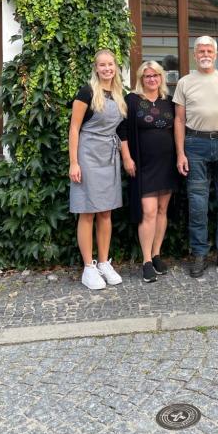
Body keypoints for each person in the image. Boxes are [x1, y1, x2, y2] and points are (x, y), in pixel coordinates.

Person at [174, 35, 218, 277]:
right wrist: (180, 152)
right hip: (195, 144)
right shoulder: (185, 82)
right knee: (197, 203)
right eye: (200, 51)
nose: (205, 54)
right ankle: (199, 253)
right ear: (194, 55)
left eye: (209, 50)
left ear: (216, 54)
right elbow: (179, 120)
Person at [69, 49, 126, 290]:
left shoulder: (119, 94)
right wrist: (74, 162)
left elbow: (121, 131)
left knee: (106, 212)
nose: (107, 68)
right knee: (87, 211)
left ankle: (103, 262)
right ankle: (88, 268)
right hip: (88, 155)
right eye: (102, 65)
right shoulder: (87, 92)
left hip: (109, 156)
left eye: (110, 64)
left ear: (115, 67)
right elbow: (74, 129)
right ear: (96, 68)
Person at [118, 61, 179, 283]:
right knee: (149, 211)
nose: (152, 79)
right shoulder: (132, 100)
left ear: (161, 77)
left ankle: (156, 254)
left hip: (167, 163)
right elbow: (122, 129)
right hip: (143, 164)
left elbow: (178, 128)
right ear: (140, 79)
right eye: (147, 76)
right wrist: (126, 157)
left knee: (162, 209)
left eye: (155, 75)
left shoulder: (168, 101)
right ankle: (145, 261)